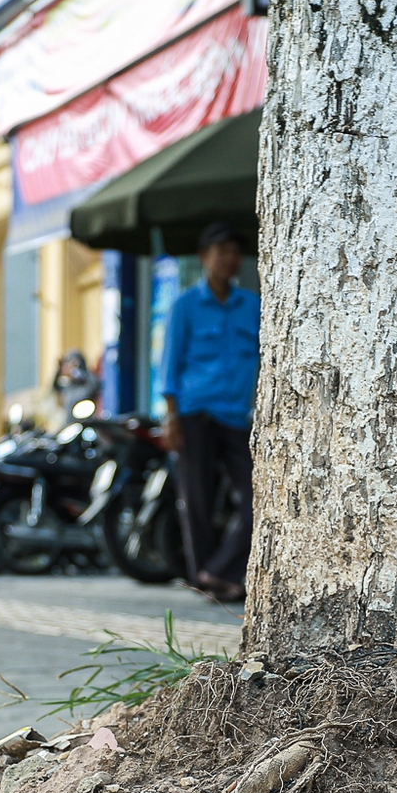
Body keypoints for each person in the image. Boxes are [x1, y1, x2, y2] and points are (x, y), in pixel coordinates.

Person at [158, 222, 257, 602]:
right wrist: (172, 418)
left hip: (236, 416)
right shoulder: (185, 306)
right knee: (197, 499)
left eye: (234, 252)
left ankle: (216, 570)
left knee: (256, 498)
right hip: (194, 414)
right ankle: (208, 581)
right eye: (221, 252)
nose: (229, 259)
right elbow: (169, 365)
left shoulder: (252, 305)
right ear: (204, 257)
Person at [54, 349, 99, 420]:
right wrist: (59, 368)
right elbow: (55, 387)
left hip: (85, 423)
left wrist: (77, 372)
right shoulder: (67, 385)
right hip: (70, 424)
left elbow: (94, 385)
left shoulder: (86, 384)